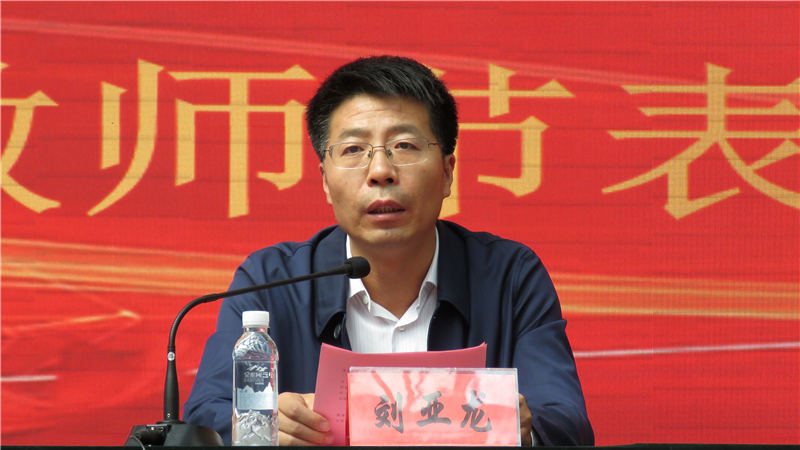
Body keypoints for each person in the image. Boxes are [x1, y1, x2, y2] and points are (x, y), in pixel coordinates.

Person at [183, 55, 594, 446]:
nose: (381, 171)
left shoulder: (510, 277)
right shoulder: (271, 283)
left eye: (405, 146)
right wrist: (265, 424)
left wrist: (524, 429)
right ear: (325, 180)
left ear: (447, 172)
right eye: (353, 150)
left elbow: (565, 419)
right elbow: (205, 416)